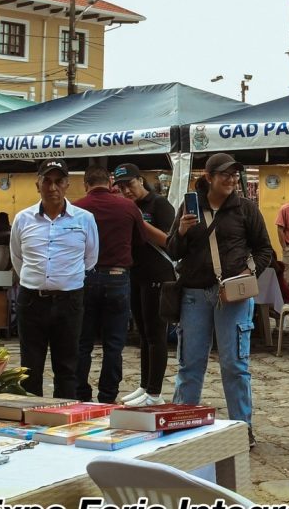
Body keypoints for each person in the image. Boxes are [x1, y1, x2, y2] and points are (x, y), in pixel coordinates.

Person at [167, 152, 274, 449]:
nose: (231, 179)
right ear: (209, 178)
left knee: (235, 365)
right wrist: (182, 230)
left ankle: (242, 428)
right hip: (194, 295)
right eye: (224, 174)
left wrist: (248, 271)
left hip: (234, 296)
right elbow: (173, 250)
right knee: (190, 364)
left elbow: (266, 250)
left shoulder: (246, 209)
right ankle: (182, 424)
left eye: (234, 175)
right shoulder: (190, 207)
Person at [10, 159, 99, 398]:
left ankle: (64, 422)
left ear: (68, 184)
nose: (52, 187)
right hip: (31, 301)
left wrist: (63, 279)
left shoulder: (84, 219)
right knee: (29, 368)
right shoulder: (23, 219)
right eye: (46, 181)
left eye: (58, 181)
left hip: (69, 301)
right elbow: (17, 258)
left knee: (68, 367)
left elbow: (90, 259)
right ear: (37, 184)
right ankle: (30, 423)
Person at [73, 165, 148, 404]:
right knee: (114, 343)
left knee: (82, 342)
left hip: (84, 279)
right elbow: (141, 241)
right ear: (111, 183)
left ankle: (81, 393)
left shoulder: (75, 209)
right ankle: (107, 396)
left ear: (86, 184)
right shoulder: (128, 207)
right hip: (117, 277)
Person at [114, 163, 176, 407]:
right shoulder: (129, 206)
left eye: (129, 184)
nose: (126, 191)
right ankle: (144, 384)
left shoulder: (159, 204)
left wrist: (139, 221)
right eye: (121, 187)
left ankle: (155, 391)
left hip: (158, 275)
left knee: (156, 334)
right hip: (136, 274)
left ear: (140, 180)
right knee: (143, 334)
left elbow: (169, 241)